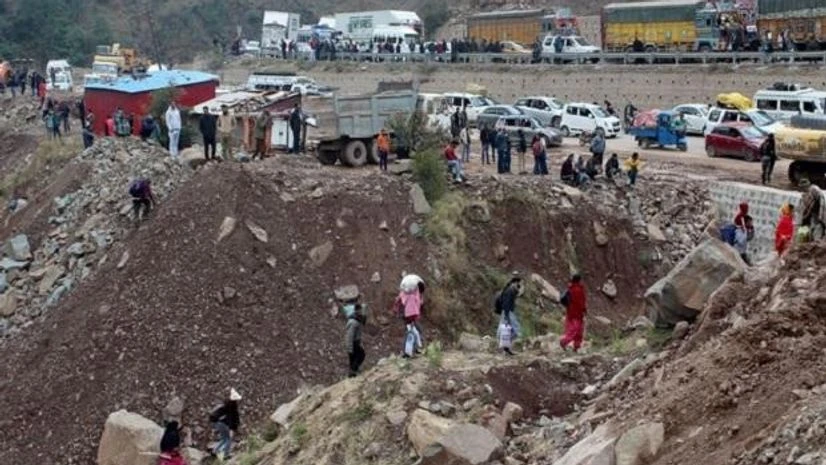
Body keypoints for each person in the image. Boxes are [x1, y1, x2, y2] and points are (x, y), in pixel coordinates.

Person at [209, 389, 241, 460]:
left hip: (217, 422)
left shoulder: (226, 405)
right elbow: (231, 418)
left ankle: (214, 451)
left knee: (224, 438)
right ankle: (226, 455)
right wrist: (232, 428)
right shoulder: (232, 407)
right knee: (228, 439)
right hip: (222, 423)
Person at [559, 274, 587, 352]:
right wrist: (584, 310)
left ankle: (575, 346)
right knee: (577, 330)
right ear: (579, 280)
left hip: (570, 312)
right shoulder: (579, 290)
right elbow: (581, 302)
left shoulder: (570, 288)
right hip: (577, 313)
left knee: (572, 328)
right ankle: (566, 342)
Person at [496, 276, 523, 354]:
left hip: (506, 311)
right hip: (508, 312)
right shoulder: (510, 290)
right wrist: (507, 315)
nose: (520, 285)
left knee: (503, 329)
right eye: (520, 283)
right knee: (516, 329)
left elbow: (517, 295)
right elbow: (507, 303)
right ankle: (505, 346)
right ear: (516, 282)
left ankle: (504, 346)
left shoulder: (509, 289)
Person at [345, 304, 366, 377]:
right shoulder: (353, 322)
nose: (361, 312)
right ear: (356, 310)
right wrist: (349, 348)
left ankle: (353, 372)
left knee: (359, 356)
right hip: (353, 343)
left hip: (356, 342)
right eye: (359, 310)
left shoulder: (358, 320)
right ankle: (352, 373)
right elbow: (349, 336)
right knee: (357, 357)